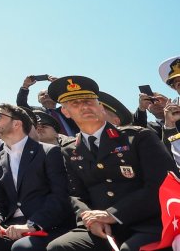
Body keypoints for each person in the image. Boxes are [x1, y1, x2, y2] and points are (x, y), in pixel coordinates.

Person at [42, 76, 179, 251]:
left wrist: (113, 214)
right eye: (75, 104)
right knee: (59, 247)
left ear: (100, 107)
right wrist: (89, 219)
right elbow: (75, 194)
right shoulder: (69, 150)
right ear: (65, 112)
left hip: (148, 222)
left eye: (89, 101)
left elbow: (163, 184)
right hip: (102, 225)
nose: (84, 106)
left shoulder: (138, 137)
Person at [0, 103, 73, 251]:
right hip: (11, 226)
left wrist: (32, 225)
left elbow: (60, 196)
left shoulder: (49, 152)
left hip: (47, 225)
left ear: (17, 123)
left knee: (22, 247)